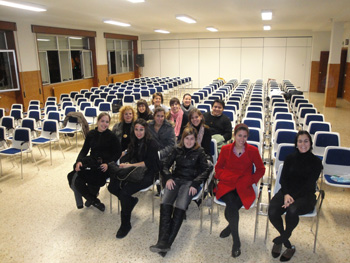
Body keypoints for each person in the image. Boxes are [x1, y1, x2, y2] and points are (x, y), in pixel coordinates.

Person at [149, 127, 212, 256]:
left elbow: (206, 170)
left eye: (192, 139)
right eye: (186, 138)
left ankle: (165, 244)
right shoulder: (176, 149)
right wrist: (168, 177)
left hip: (189, 182)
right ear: (183, 139)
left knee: (180, 206)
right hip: (175, 179)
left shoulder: (199, 151)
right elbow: (165, 165)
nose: (189, 141)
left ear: (195, 140)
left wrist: (195, 183)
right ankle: (162, 242)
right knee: (165, 203)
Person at [268, 130, 322, 262]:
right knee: (273, 211)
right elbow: (283, 180)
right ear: (296, 143)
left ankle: (282, 239)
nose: (303, 144)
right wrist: (286, 194)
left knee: (292, 211)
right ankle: (286, 242)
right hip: (286, 192)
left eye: (306, 141)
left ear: (310, 143)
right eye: (300, 141)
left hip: (305, 195)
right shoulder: (290, 158)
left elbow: (309, 184)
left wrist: (292, 197)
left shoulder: (316, 162)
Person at [215, 124, 265, 258]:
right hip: (227, 184)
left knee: (231, 209)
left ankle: (230, 228)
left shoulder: (253, 151)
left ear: (247, 137)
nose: (242, 139)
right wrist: (226, 176)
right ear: (234, 135)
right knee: (231, 204)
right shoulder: (225, 149)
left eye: (245, 136)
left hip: (244, 185)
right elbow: (218, 168)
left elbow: (261, 169)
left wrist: (251, 180)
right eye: (239, 135)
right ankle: (236, 242)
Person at [108, 118, 160, 239]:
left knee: (124, 193)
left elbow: (148, 163)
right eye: (136, 129)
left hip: (148, 173)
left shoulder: (152, 143)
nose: (138, 132)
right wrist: (124, 159)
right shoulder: (134, 139)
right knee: (112, 186)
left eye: (141, 130)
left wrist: (130, 165)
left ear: (146, 130)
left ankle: (125, 224)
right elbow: (131, 153)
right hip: (134, 170)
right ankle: (130, 202)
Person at [71, 113, 121, 212]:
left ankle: (91, 197)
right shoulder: (91, 134)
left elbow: (118, 153)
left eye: (107, 122)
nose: (104, 124)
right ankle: (94, 200)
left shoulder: (111, 136)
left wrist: (108, 163)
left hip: (104, 164)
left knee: (95, 177)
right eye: (102, 121)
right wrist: (79, 161)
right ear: (98, 121)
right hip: (92, 161)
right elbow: (84, 150)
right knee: (75, 177)